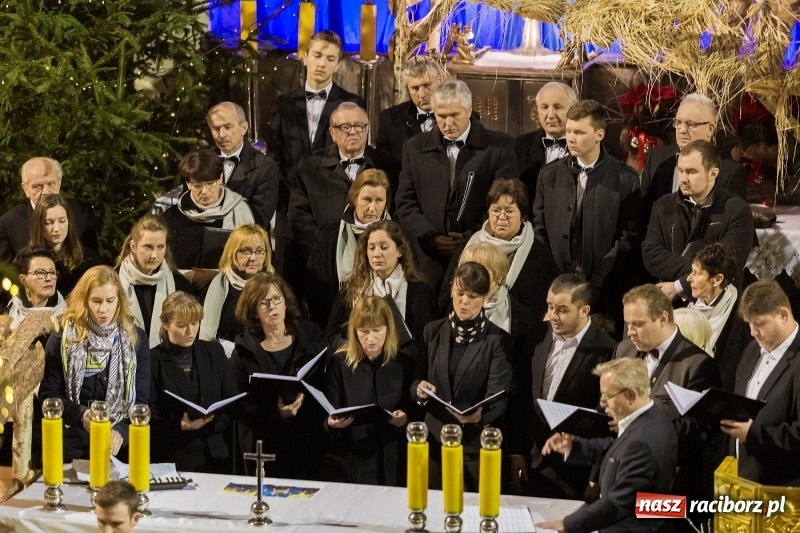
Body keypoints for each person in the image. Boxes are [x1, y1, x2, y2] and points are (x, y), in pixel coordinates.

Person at [395, 80, 517, 293]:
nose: (448, 122)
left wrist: (472, 235)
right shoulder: (414, 147)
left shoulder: (499, 147)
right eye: (441, 116)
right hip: (426, 256)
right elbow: (405, 201)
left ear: (469, 110)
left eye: (455, 115)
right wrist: (430, 236)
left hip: (480, 250)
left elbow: (504, 202)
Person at [535, 358, 678, 533]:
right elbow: (617, 450)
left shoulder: (643, 441)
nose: (603, 404)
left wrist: (567, 524)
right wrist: (573, 447)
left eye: (607, 396)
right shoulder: (653, 419)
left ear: (631, 395)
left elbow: (618, 503)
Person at [613, 284, 721, 515]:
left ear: (662, 318)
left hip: (669, 488)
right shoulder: (623, 351)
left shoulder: (697, 365)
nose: (630, 331)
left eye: (638, 324)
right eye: (628, 324)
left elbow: (699, 430)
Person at [506, 274, 616, 499]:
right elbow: (522, 397)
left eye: (562, 310)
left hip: (575, 473)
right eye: (550, 307)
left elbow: (607, 421)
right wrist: (516, 451)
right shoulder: (538, 334)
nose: (553, 316)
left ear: (584, 311)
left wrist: (595, 478)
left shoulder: (608, 350)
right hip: (532, 464)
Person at [533, 99, 641, 321]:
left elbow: (627, 239)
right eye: (569, 131)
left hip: (604, 295)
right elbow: (539, 230)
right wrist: (557, 281)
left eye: (580, 132)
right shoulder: (548, 175)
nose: (571, 138)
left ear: (599, 135)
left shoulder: (625, 180)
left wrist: (597, 282)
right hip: (556, 288)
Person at [411, 262, 512, 491]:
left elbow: (499, 396)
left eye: (472, 296)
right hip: (435, 441)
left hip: (473, 446)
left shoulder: (497, 339)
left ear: (485, 297)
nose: (464, 301)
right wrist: (419, 389)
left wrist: (480, 416)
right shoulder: (432, 331)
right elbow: (415, 380)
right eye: (460, 293)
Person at [39, 266, 150, 462]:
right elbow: (49, 396)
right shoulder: (63, 337)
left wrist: (121, 430)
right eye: (96, 301)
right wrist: (81, 415)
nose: (103, 309)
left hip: (117, 447)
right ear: (84, 300)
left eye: (110, 301)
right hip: (71, 443)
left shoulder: (135, 338)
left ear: (120, 300)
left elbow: (140, 399)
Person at [231, 272, 327, 479]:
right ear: (254, 312)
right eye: (263, 303)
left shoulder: (312, 336)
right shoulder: (243, 351)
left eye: (276, 299)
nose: (272, 306)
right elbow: (238, 404)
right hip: (265, 442)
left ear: (285, 302)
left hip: (308, 439)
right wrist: (277, 414)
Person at [642, 140, 754, 301]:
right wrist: (701, 270)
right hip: (671, 305)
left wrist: (679, 287)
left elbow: (728, 266)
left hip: (716, 305)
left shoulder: (737, 210)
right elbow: (651, 255)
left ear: (713, 174)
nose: (683, 179)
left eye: (691, 172)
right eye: (680, 171)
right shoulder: (662, 206)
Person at [323, 296, 415, 486]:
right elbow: (327, 415)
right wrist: (332, 423)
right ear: (354, 332)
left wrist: (403, 420)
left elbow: (412, 411)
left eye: (377, 330)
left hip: (391, 458)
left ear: (388, 329)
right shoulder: (339, 363)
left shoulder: (403, 363)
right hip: (350, 459)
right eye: (364, 331)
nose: (371, 338)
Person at [440, 178, 558, 321]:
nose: (502, 217)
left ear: (522, 216)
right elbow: (446, 296)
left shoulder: (538, 254)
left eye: (509, 211)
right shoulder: (469, 245)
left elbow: (542, 307)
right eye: (496, 210)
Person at [149, 291, 239, 473]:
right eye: (182, 325)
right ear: (166, 324)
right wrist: (181, 426)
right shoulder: (153, 360)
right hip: (173, 456)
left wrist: (210, 422)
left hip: (214, 454)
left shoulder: (214, 352)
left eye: (195, 323)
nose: (190, 331)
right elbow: (148, 415)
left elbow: (232, 400)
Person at [326, 220, 436, 366]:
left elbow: (426, 342)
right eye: (371, 248)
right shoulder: (352, 289)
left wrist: (391, 351)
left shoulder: (418, 291)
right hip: (360, 368)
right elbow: (331, 336)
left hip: (402, 369)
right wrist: (356, 347)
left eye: (384, 247)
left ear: (399, 251)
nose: (377, 254)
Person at [722, 280, 800, 485]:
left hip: (783, 492)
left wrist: (754, 435)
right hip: (741, 482)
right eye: (749, 323)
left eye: (758, 323)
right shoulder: (751, 350)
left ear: (782, 315)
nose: (752, 332)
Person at [267, 30, 365, 191]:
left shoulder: (352, 103)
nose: (321, 64)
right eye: (317, 55)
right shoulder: (284, 103)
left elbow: (355, 155)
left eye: (330, 59)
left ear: (337, 65)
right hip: (290, 196)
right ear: (305, 58)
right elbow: (273, 156)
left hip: (334, 195)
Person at [289, 103, 391, 251]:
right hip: (323, 255)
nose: (353, 131)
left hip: (374, 254)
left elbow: (393, 213)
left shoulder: (386, 165)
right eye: (345, 127)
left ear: (367, 129)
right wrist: (326, 248)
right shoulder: (310, 167)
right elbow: (298, 217)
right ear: (332, 133)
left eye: (359, 125)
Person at [642, 93, 746, 224]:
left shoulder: (730, 171)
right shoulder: (657, 159)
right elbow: (643, 216)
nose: (682, 130)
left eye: (690, 124)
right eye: (678, 123)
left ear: (710, 129)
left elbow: (736, 223)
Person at [306, 170, 392, 328]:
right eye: (367, 200)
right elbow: (317, 290)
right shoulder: (331, 236)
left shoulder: (397, 236)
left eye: (379, 200)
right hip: (341, 326)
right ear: (354, 199)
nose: (372, 208)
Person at [162, 149, 255, 270]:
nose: (204, 191)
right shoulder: (171, 215)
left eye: (210, 183)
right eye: (198, 185)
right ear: (189, 184)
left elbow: (252, 257)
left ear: (220, 178)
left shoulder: (239, 211)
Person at [0, 157, 98, 263]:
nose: (46, 192)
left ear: (59, 184)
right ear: (25, 189)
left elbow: (93, 262)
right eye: (37, 186)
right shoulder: (8, 223)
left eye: (51, 184)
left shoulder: (81, 212)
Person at [115, 215, 194, 348]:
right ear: (133, 246)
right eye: (148, 247)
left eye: (160, 247)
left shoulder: (179, 284)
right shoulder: (114, 281)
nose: (154, 255)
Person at [376, 56, 445, 200]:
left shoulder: (461, 118)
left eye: (427, 85)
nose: (422, 94)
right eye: (415, 88)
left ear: (440, 80)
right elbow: (385, 171)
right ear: (407, 87)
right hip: (404, 203)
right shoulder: (389, 120)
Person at [199, 224, 273, 356]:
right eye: (245, 251)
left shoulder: (275, 288)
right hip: (224, 359)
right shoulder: (217, 287)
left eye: (259, 251)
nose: (253, 258)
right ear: (232, 253)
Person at [207, 101, 280, 228]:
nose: (221, 135)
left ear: (244, 128)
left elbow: (258, 219)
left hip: (247, 243)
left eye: (228, 127)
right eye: (216, 128)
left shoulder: (266, 167)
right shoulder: (201, 161)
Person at [456, 243, 533, 353]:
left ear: (500, 275)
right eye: (471, 271)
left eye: (484, 271)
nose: (477, 278)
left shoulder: (520, 316)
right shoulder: (453, 310)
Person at [29, 194, 104, 297]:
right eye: (49, 222)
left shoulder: (87, 258)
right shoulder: (28, 261)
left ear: (69, 222)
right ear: (39, 226)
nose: (56, 228)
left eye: (62, 221)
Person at [514, 82, 578, 198]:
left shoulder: (589, 148)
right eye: (544, 107)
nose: (550, 115)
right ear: (537, 111)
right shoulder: (518, 147)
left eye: (558, 107)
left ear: (573, 109)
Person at [6, 246, 66, 329]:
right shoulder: (13, 307)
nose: (49, 278)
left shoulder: (64, 316)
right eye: (40, 273)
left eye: (52, 272)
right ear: (23, 280)